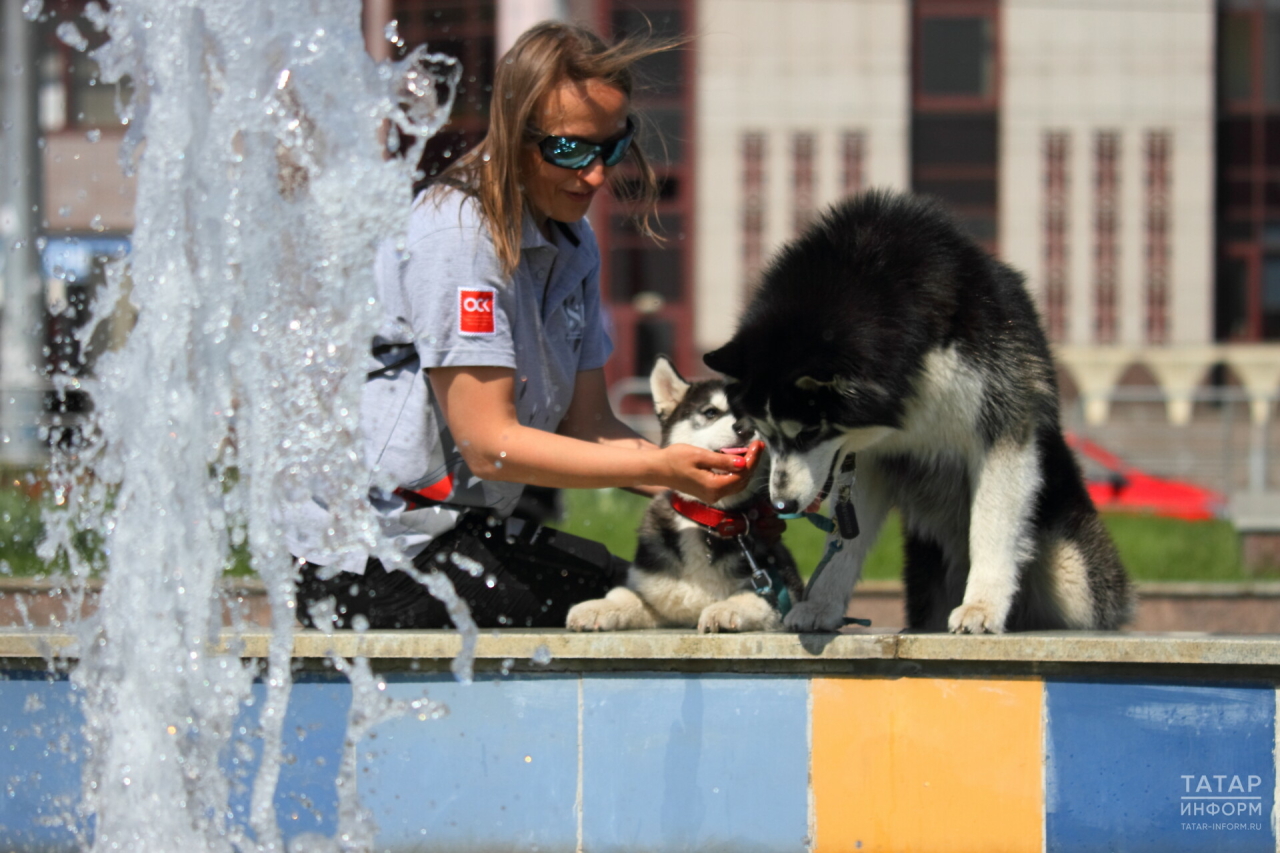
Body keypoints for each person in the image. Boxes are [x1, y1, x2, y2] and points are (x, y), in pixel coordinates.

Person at [288, 21, 763, 629]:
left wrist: (712, 477)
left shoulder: (572, 240)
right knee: (633, 613)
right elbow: (491, 445)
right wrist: (661, 471)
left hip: (457, 535)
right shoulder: (458, 236)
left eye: (611, 148)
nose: (594, 174)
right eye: (570, 150)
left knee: (640, 600)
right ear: (514, 135)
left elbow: (589, 426)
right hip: (367, 563)